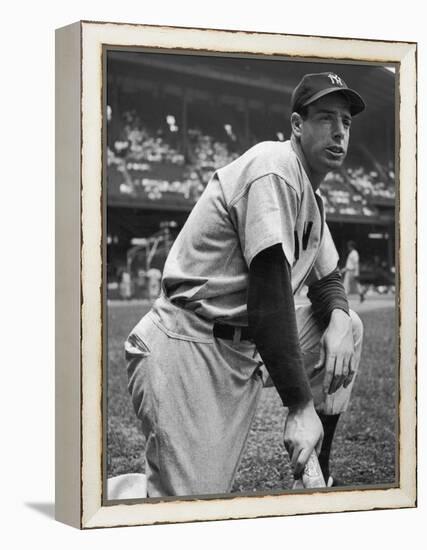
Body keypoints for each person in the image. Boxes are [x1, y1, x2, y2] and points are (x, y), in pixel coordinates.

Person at [125, 72, 365, 497]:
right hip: (188, 347)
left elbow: (328, 280)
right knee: (187, 506)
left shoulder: (312, 196)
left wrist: (342, 319)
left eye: (345, 122)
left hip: (241, 349)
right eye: (326, 118)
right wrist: (299, 405)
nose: (339, 132)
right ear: (296, 125)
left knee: (349, 328)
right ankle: (102, 501)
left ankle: (314, 479)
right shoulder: (273, 167)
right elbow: (269, 293)